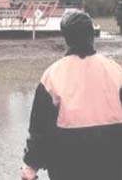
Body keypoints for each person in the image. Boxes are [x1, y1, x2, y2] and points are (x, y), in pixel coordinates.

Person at [21, 11, 122, 180]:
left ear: (66, 38)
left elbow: (39, 129)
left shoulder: (52, 75)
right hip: (113, 158)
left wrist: (31, 164)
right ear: (92, 35)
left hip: (67, 161)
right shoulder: (115, 70)